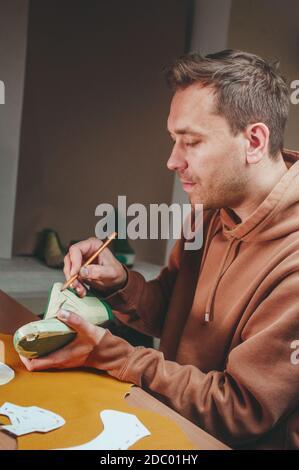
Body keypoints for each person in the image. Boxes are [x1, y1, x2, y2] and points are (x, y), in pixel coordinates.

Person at [20, 50, 299, 449]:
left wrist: (115, 356)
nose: (172, 160)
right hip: (169, 420)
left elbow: (241, 412)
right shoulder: (210, 212)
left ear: (254, 140)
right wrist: (119, 283)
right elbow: (173, 312)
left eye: (191, 142)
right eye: (173, 140)